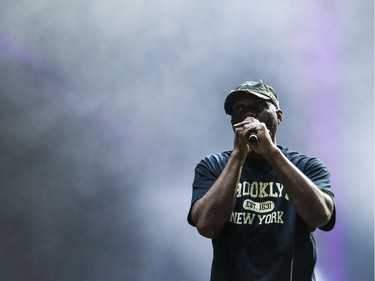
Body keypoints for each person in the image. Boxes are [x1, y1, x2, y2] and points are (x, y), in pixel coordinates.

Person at [187, 80, 336, 281]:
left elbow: (320, 216)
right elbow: (206, 226)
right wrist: (239, 154)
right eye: (239, 109)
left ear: (279, 116)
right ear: (233, 122)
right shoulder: (213, 166)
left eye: (258, 106)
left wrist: (271, 153)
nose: (248, 114)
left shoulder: (306, 166)